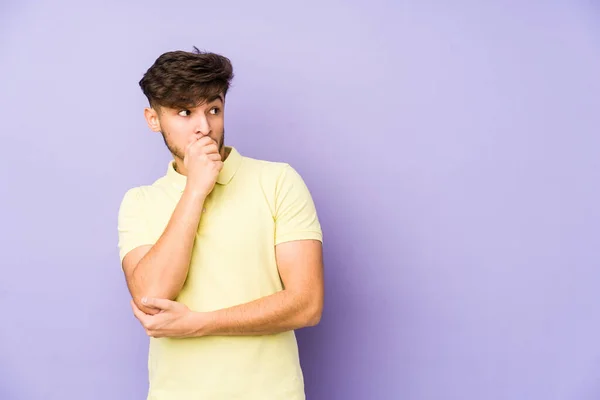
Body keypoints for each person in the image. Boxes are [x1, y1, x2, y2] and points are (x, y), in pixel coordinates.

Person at [116, 47, 324, 400]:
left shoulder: (278, 182)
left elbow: (307, 303)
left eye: (213, 109)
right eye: (185, 112)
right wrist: (195, 190)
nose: (204, 128)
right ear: (154, 119)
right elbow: (152, 297)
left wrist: (199, 324)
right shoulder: (140, 202)